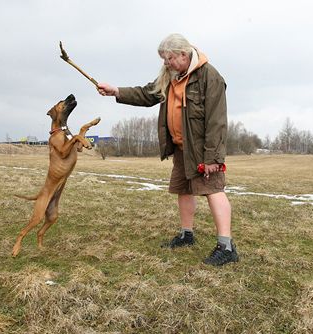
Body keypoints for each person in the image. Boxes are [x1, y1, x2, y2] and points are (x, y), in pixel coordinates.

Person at [97, 33, 239, 266]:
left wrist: (213, 156)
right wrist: (116, 91)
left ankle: (226, 246)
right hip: (181, 148)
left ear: (183, 55)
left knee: (213, 190)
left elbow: (217, 121)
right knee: (183, 189)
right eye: (164, 58)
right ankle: (186, 235)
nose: (166, 63)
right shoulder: (171, 76)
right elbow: (147, 94)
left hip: (203, 150)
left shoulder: (209, 77)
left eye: (169, 58)